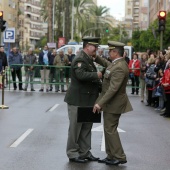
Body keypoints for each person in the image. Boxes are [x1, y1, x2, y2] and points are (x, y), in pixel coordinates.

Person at [93, 41, 133, 165]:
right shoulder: (117, 64)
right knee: (108, 129)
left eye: (110, 51)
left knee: (110, 130)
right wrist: (96, 57)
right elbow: (107, 64)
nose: (109, 53)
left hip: (114, 103)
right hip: (111, 103)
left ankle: (119, 156)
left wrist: (100, 103)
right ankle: (111, 155)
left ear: (115, 52)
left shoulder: (120, 67)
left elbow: (113, 89)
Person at [64, 37, 102, 163]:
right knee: (75, 128)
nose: (96, 49)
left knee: (86, 127)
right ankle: (72, 153)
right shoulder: (80, 58)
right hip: (77, 99)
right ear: (87, 46)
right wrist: (96, 75)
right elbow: (81, 75)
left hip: (88, 100)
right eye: (94, 46)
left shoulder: (89, 59)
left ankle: (84, 151)